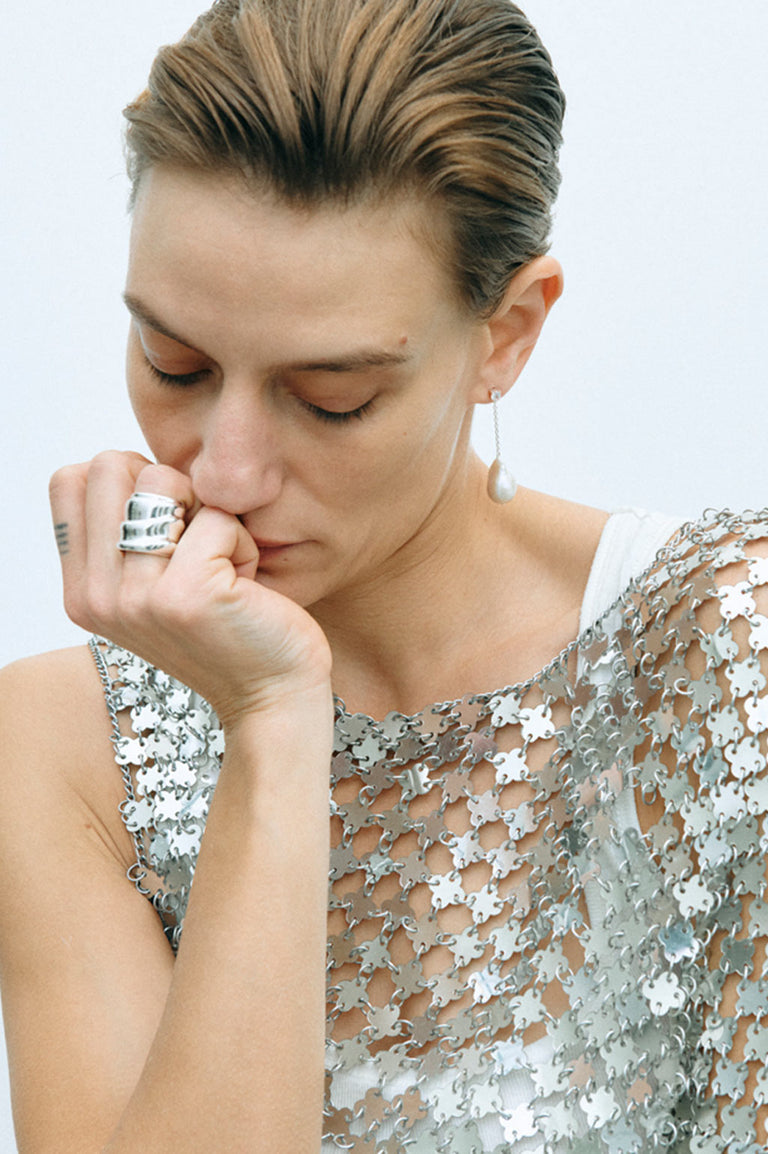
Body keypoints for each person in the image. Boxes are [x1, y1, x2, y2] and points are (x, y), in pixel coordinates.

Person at [0, 0, 766, 1150]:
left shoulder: (729, 649)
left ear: (506, 332)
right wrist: (271, 719)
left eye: (332, 396)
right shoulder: (65, 753)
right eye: (175, 361)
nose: (227, 465)